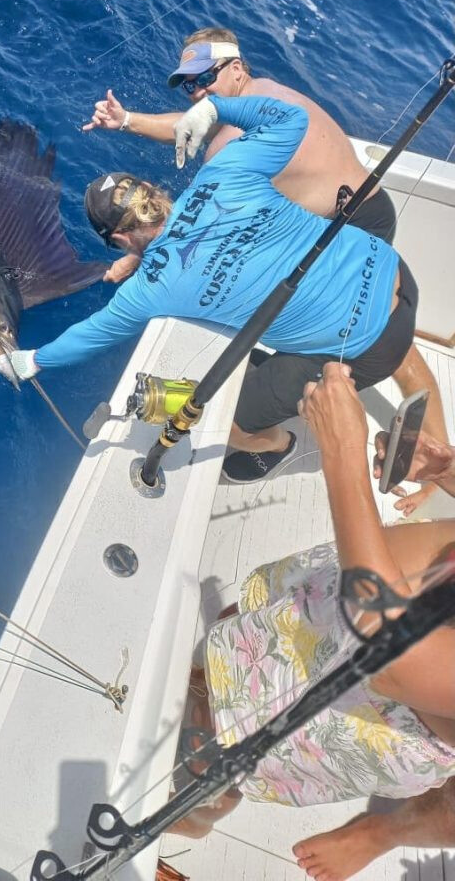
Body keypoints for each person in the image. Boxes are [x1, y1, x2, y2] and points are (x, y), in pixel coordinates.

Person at [83, 27, 447, 511]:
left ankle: (292, 446)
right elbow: (199, 126)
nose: (199, 92)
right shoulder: (262, 98)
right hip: (365, 214)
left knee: (367, 348)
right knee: (379, 338)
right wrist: (127, 119)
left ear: (237, 67)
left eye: (206, 78)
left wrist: (137, 253)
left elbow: (209, 219)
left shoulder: (230, 144)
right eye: (190, 84)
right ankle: (428, 448)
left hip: (348, 227)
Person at [9, 93, 418, 484]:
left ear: (119, 238)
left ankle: (277, 448)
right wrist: (214, 107)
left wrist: (31, 361)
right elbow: (291, 119)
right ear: (150, 190)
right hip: (391, 265)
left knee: (222, 414)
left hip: (373, 344)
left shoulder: (150, 289)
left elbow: (90, 335)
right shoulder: (223, 171)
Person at [172, 362, 455, 881]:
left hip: (361, 701)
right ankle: (208, 681)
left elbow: (391, 657)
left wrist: (342, 453)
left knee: (219, 754)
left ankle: (192, 816)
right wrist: (445, 471)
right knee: (239, 636)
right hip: (332, 597)